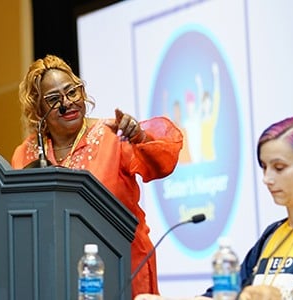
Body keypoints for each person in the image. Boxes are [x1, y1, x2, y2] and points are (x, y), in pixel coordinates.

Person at [11, 54, 184, 297]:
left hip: (123, 263)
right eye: (53, 99)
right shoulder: (27, 153)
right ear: (38, 110)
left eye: (72, 92)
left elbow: (162, 164)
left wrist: (140, 138)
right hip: (57, 273)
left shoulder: (114, 134)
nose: (67, 102)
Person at [135, 117, 293, 300]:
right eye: (264, 167)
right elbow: (226, 294)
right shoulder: (273, 234)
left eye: (279, 167)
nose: (267, 178)